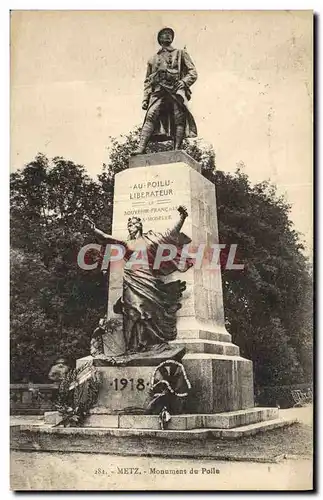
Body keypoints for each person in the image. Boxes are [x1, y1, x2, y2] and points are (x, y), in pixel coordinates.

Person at [84, 206, 192, 353]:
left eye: (133, 224)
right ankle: (131, 347)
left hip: (147, 278)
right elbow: (105, 238)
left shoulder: (150, 241)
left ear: (139, 226)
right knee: (131, 312)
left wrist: (182, 217)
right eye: (128, 225)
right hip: (130, 280)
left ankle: (148, 343)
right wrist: (93, 229)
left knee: (148, 311)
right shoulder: (127, 243)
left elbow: (171, 234)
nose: (130, 227)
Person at [132, 27, 198, 155]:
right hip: (158, 91)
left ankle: (177, 149)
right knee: (151, 115)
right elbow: (147, 81)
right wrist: (145, 98)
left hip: (175, 90)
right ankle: (141, 147)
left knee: (179, 117)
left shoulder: (180, 53)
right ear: (159, 38)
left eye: (170, 34)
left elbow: (193, 72)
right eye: (164, 34)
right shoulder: (153, 59)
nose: (167, 36)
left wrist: (183, 82)